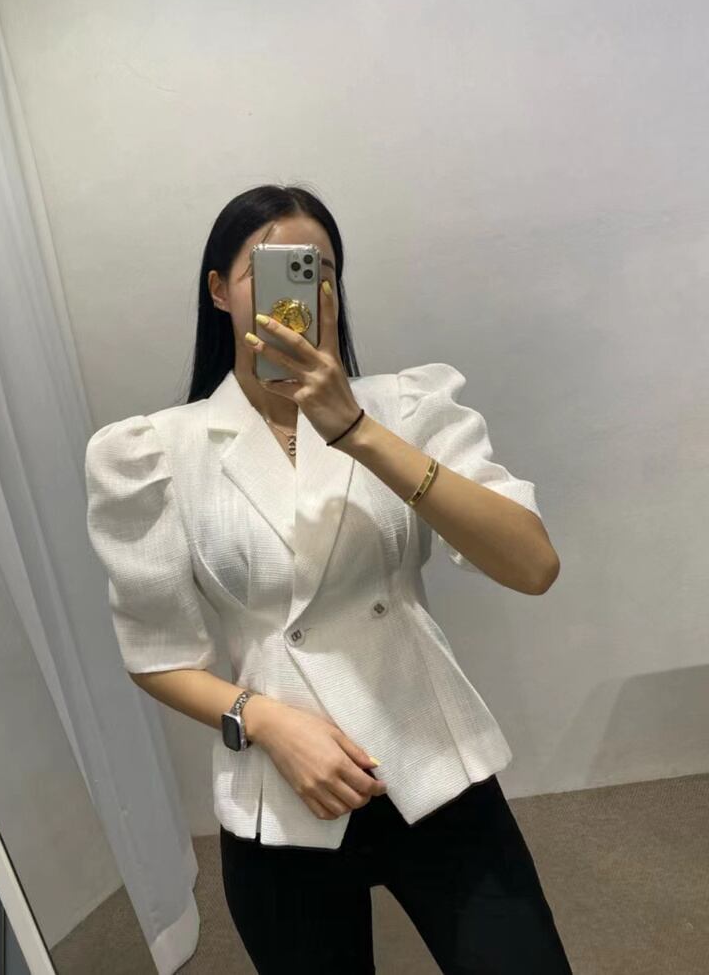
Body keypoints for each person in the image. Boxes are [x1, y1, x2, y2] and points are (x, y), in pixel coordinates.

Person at [85, 184, 572, 973]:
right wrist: (267, 722)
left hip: (430, 757)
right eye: (269, 269)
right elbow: (156, 653)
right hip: (283, 790)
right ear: (219, 290)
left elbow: (532, 563)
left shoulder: (406, 407)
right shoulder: (156, 453)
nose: (300, 289)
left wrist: (357, 431)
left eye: (317, 270)